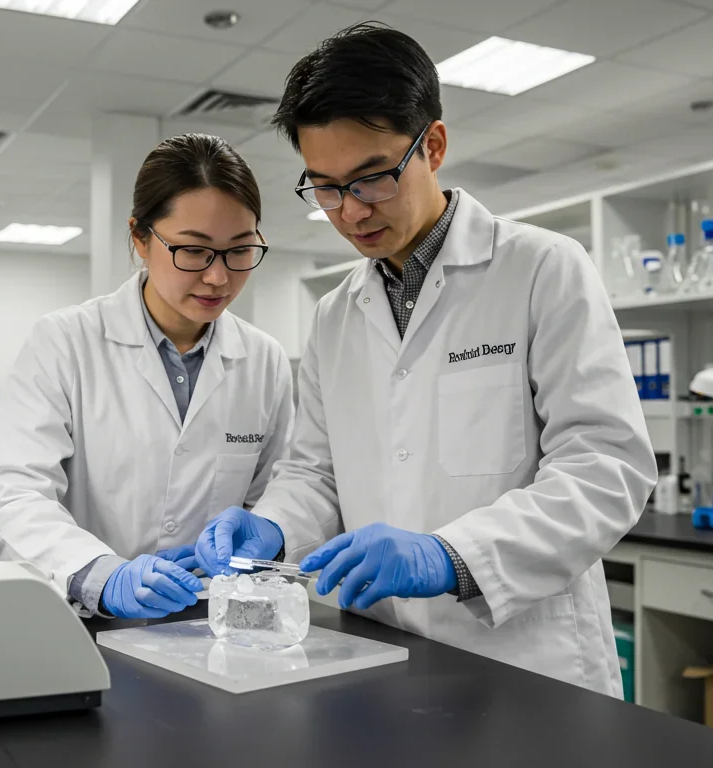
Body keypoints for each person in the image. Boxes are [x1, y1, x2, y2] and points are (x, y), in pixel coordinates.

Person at [194, 24, 655, 697]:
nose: (350, 211)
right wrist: (272, 524)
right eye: (324, 188)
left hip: (525, 661)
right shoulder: (333, 316)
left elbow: (606, 468)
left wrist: (451, 556)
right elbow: (317, 474)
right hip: (378, 650)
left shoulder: (541, 269)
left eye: (371, 178)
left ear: (432, 145)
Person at [0, 133, 294, 620]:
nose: (218, 278)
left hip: (217, 620)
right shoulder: (66, 340)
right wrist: (98, 574)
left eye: (239, 250)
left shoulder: (263, 360)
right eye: (193, 250)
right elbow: (10, 490)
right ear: (140, 238)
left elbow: (280, 493)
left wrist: (262, 535)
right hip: (89, 620)